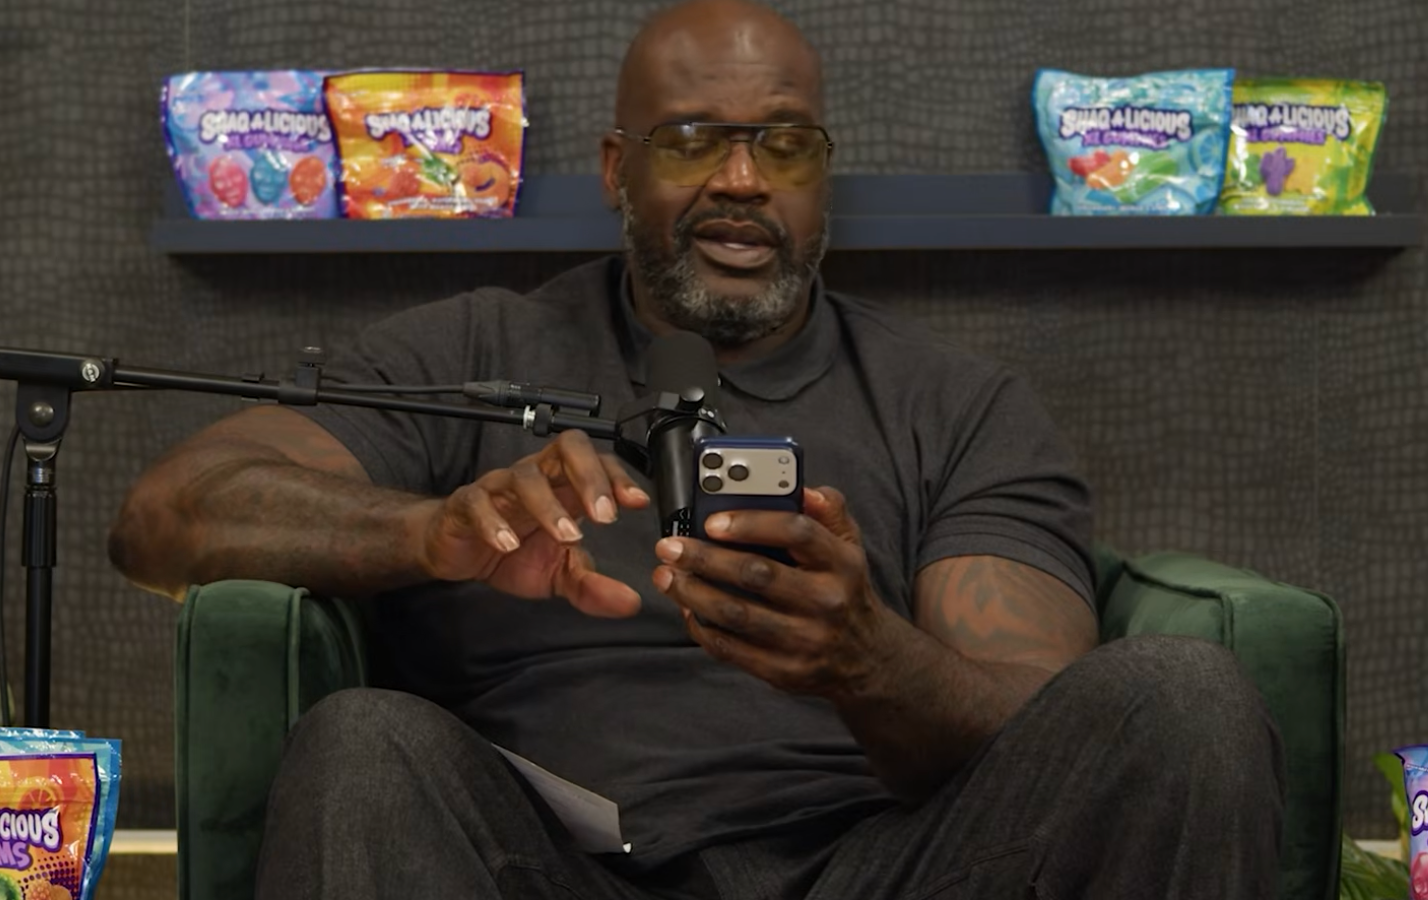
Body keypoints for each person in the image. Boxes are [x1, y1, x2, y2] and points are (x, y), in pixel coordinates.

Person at [109, 1, 1285, 897]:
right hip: (550, 863)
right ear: (617, 169)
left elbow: (1042, 728)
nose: (741, 182)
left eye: (785, 146)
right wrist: (432, 530)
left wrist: (867, 658)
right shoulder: (469, 353)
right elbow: (165, 516)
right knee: (364, 743)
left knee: (1180, 696)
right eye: (690, 142)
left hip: (884, 864)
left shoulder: (957, 405)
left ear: (821, 176)